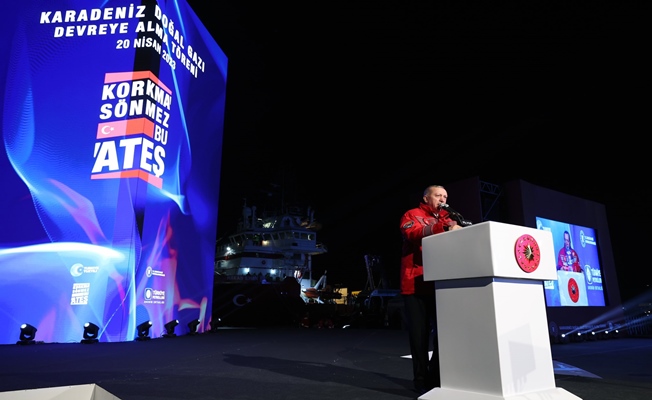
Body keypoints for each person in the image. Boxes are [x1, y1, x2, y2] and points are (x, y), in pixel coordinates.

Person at [399, 184, 463, 394]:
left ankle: (435, 375)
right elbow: (413, 234)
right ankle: (420, 379)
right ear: (426, 198)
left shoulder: (447, 218)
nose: (442, 199)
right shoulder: (412, 214)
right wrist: (442, 228)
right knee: (420, 335)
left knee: (444, 334)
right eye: (438, 195)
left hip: (441, 283)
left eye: (445, 195)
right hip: (416, 283)